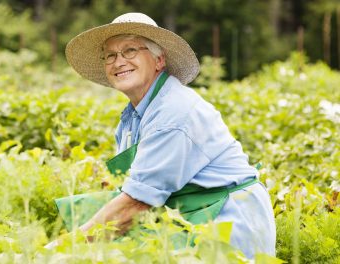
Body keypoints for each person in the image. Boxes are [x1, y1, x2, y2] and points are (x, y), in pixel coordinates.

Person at [60, 12, 276, 258]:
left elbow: (136, 203)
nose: (118, 61)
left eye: (130, 50)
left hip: (228, 222)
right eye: (110, 55)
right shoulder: (132, 116)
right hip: (190, 210)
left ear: (159, 60)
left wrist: (63, 248)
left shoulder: (173, 112)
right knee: (85, 208)